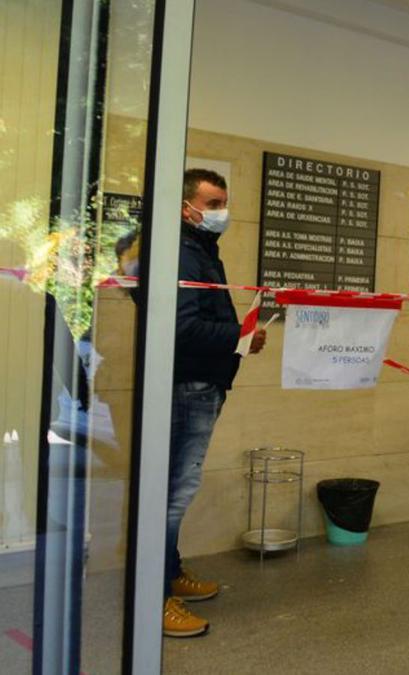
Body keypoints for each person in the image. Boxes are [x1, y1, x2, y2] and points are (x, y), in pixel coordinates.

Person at [163, 168, 266, 638]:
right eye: (212, 203)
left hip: (203, 383)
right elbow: (180, 329)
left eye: (223, 202)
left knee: (176, 490)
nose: (221, 212)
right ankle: (155, 595)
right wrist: (240, 336)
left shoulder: (201, 249)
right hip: (190, 385)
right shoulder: (182, 254)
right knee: (173, 494)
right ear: (187, 206)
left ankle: (170, 573)